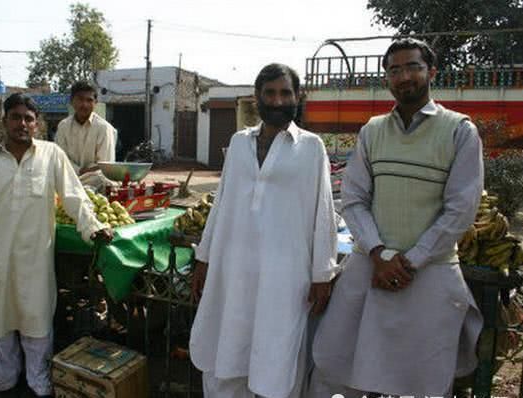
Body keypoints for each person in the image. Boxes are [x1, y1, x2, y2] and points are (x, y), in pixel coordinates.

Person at [310, 39, 484, 398]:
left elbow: (461, 208)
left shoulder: (459, 130)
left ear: (431, 72)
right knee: (344, 368)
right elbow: (354, 200)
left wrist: (409, 261)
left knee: (423, 382)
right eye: (394, 70)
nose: (404, 76)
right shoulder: (373, 130)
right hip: (371, 268)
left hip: (429, 274)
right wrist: (379, 254)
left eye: (413, 67)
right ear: (386, 78)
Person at [189, 63, 338, 398]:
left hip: (284, 275)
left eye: (285, 92)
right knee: (228, 345)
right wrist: (204, 257)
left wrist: (322, 273)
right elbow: (222, 203)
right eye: (269, 93)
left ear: (298, 97)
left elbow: (323, 212)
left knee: (278, 351)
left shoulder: (311, 147)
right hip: (233, 268)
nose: (277, 100)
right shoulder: (239, 143)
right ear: (257, 97)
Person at [0, 93, 113, 397]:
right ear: (4, 121)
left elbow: (74, 196)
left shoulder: (51, 155)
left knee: (37, 322)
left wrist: (93, 226)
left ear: (37, 124)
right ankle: (3, 382)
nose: (22, 123)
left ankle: (38, 383)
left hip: (34, 259)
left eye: (29, 118)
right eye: (15, 117)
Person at [55, 81, 117, 190]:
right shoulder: (63, 126)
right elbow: (60, 158)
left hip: (93, 180)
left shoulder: (104, 128)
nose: (84, 104)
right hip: (68, 175)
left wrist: (85, 173)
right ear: (72, 101)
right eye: (80, 99)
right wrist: (79, 171)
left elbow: (105, 166)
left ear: (95, 103)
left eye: (89, 100)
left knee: (102, 179)